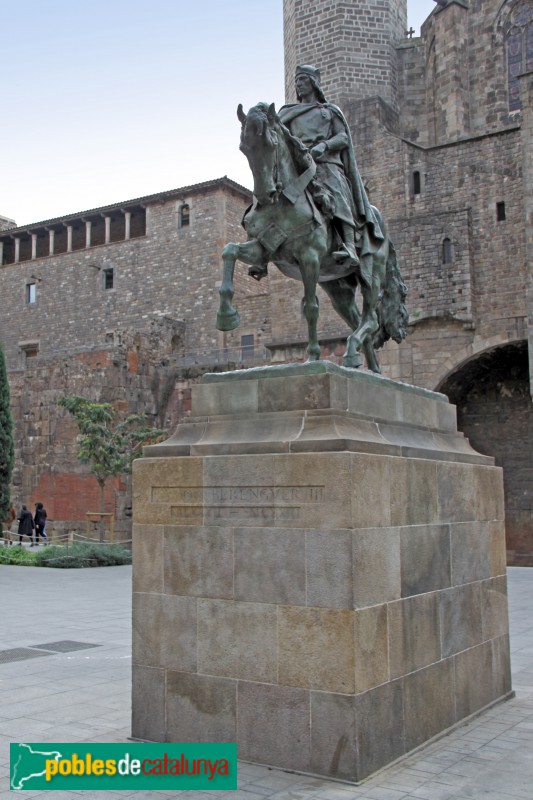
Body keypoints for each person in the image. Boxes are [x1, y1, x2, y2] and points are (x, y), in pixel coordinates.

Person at [278, 64, 384, 280]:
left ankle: (349, 246)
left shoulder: (328, 112)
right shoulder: (288, 113)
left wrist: (324, 147)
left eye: (303, 80)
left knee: (336, 190)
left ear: (314, 84)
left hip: (326, 163)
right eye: (297, 80)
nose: (298, 84)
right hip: (300, 167)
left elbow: (343, 137)